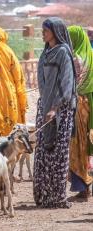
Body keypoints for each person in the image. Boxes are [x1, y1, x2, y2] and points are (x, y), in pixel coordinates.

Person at [33, 17, 76, 208]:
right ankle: (43, 195)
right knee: (43, 152)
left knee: (58, 154)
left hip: (60, 110)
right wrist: (45, 106)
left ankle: (57, 196)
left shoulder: (63, 53)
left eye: (46, 31)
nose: (42, 34)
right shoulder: (45, 53)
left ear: (56, 32)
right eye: (42, 31)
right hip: (45, 108)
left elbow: (66, 85)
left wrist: (54, 108)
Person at [67, 25, 93, 200]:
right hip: (89, 104)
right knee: (85, 145)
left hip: (78, 106)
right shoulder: (90, 55)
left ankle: (83, 185)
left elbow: (71, 85)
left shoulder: (76, 58)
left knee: (77, 145)